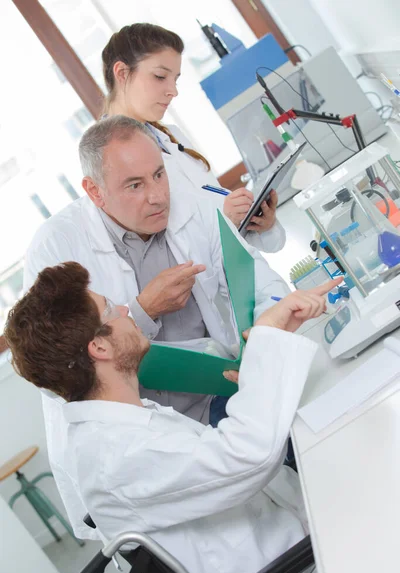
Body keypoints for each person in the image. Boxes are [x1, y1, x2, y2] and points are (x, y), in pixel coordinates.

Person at [23, 115, 290, 543]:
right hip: (145, 432)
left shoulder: (188, 199)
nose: (158, 196)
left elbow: (254, 276)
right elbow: (53, 359)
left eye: (159, 174)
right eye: (134, 185)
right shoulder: (56, 247)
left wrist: (270, 322)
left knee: (296, 447)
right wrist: (142, 311)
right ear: (95, 192)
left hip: (217, 393)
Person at [5, 263, 337, 573]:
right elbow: (248, 457)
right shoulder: (115, 455)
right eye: (110, 309)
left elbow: (227, 461)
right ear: (100, 347)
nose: (124, 309)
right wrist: (268, 337)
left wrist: (260, 370)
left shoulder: (125, 421)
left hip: (307, 538)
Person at [101, 22, 286, 253]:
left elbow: (214, 206)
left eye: (175, 80)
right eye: (160, 76)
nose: (173, 91)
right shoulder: (110, 163)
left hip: (246, 272)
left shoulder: (172, 137)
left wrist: (260, 222)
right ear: (122, 73)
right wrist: (225, 222)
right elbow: (158, 256)